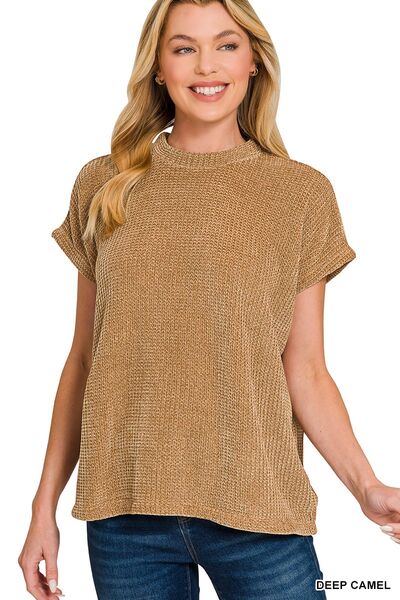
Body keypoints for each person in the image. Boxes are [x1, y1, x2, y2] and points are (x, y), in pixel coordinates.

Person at [18, 0, 400, 599]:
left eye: (226, 45)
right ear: (158, 67)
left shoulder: (300, 193)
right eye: (183, 48)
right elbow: (85, 359)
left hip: (259, 510)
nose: (206, 66)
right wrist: (43, 507)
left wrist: (366, 486)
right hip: (126, 516)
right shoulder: (103, 184)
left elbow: (304, 368)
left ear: (253, 62)